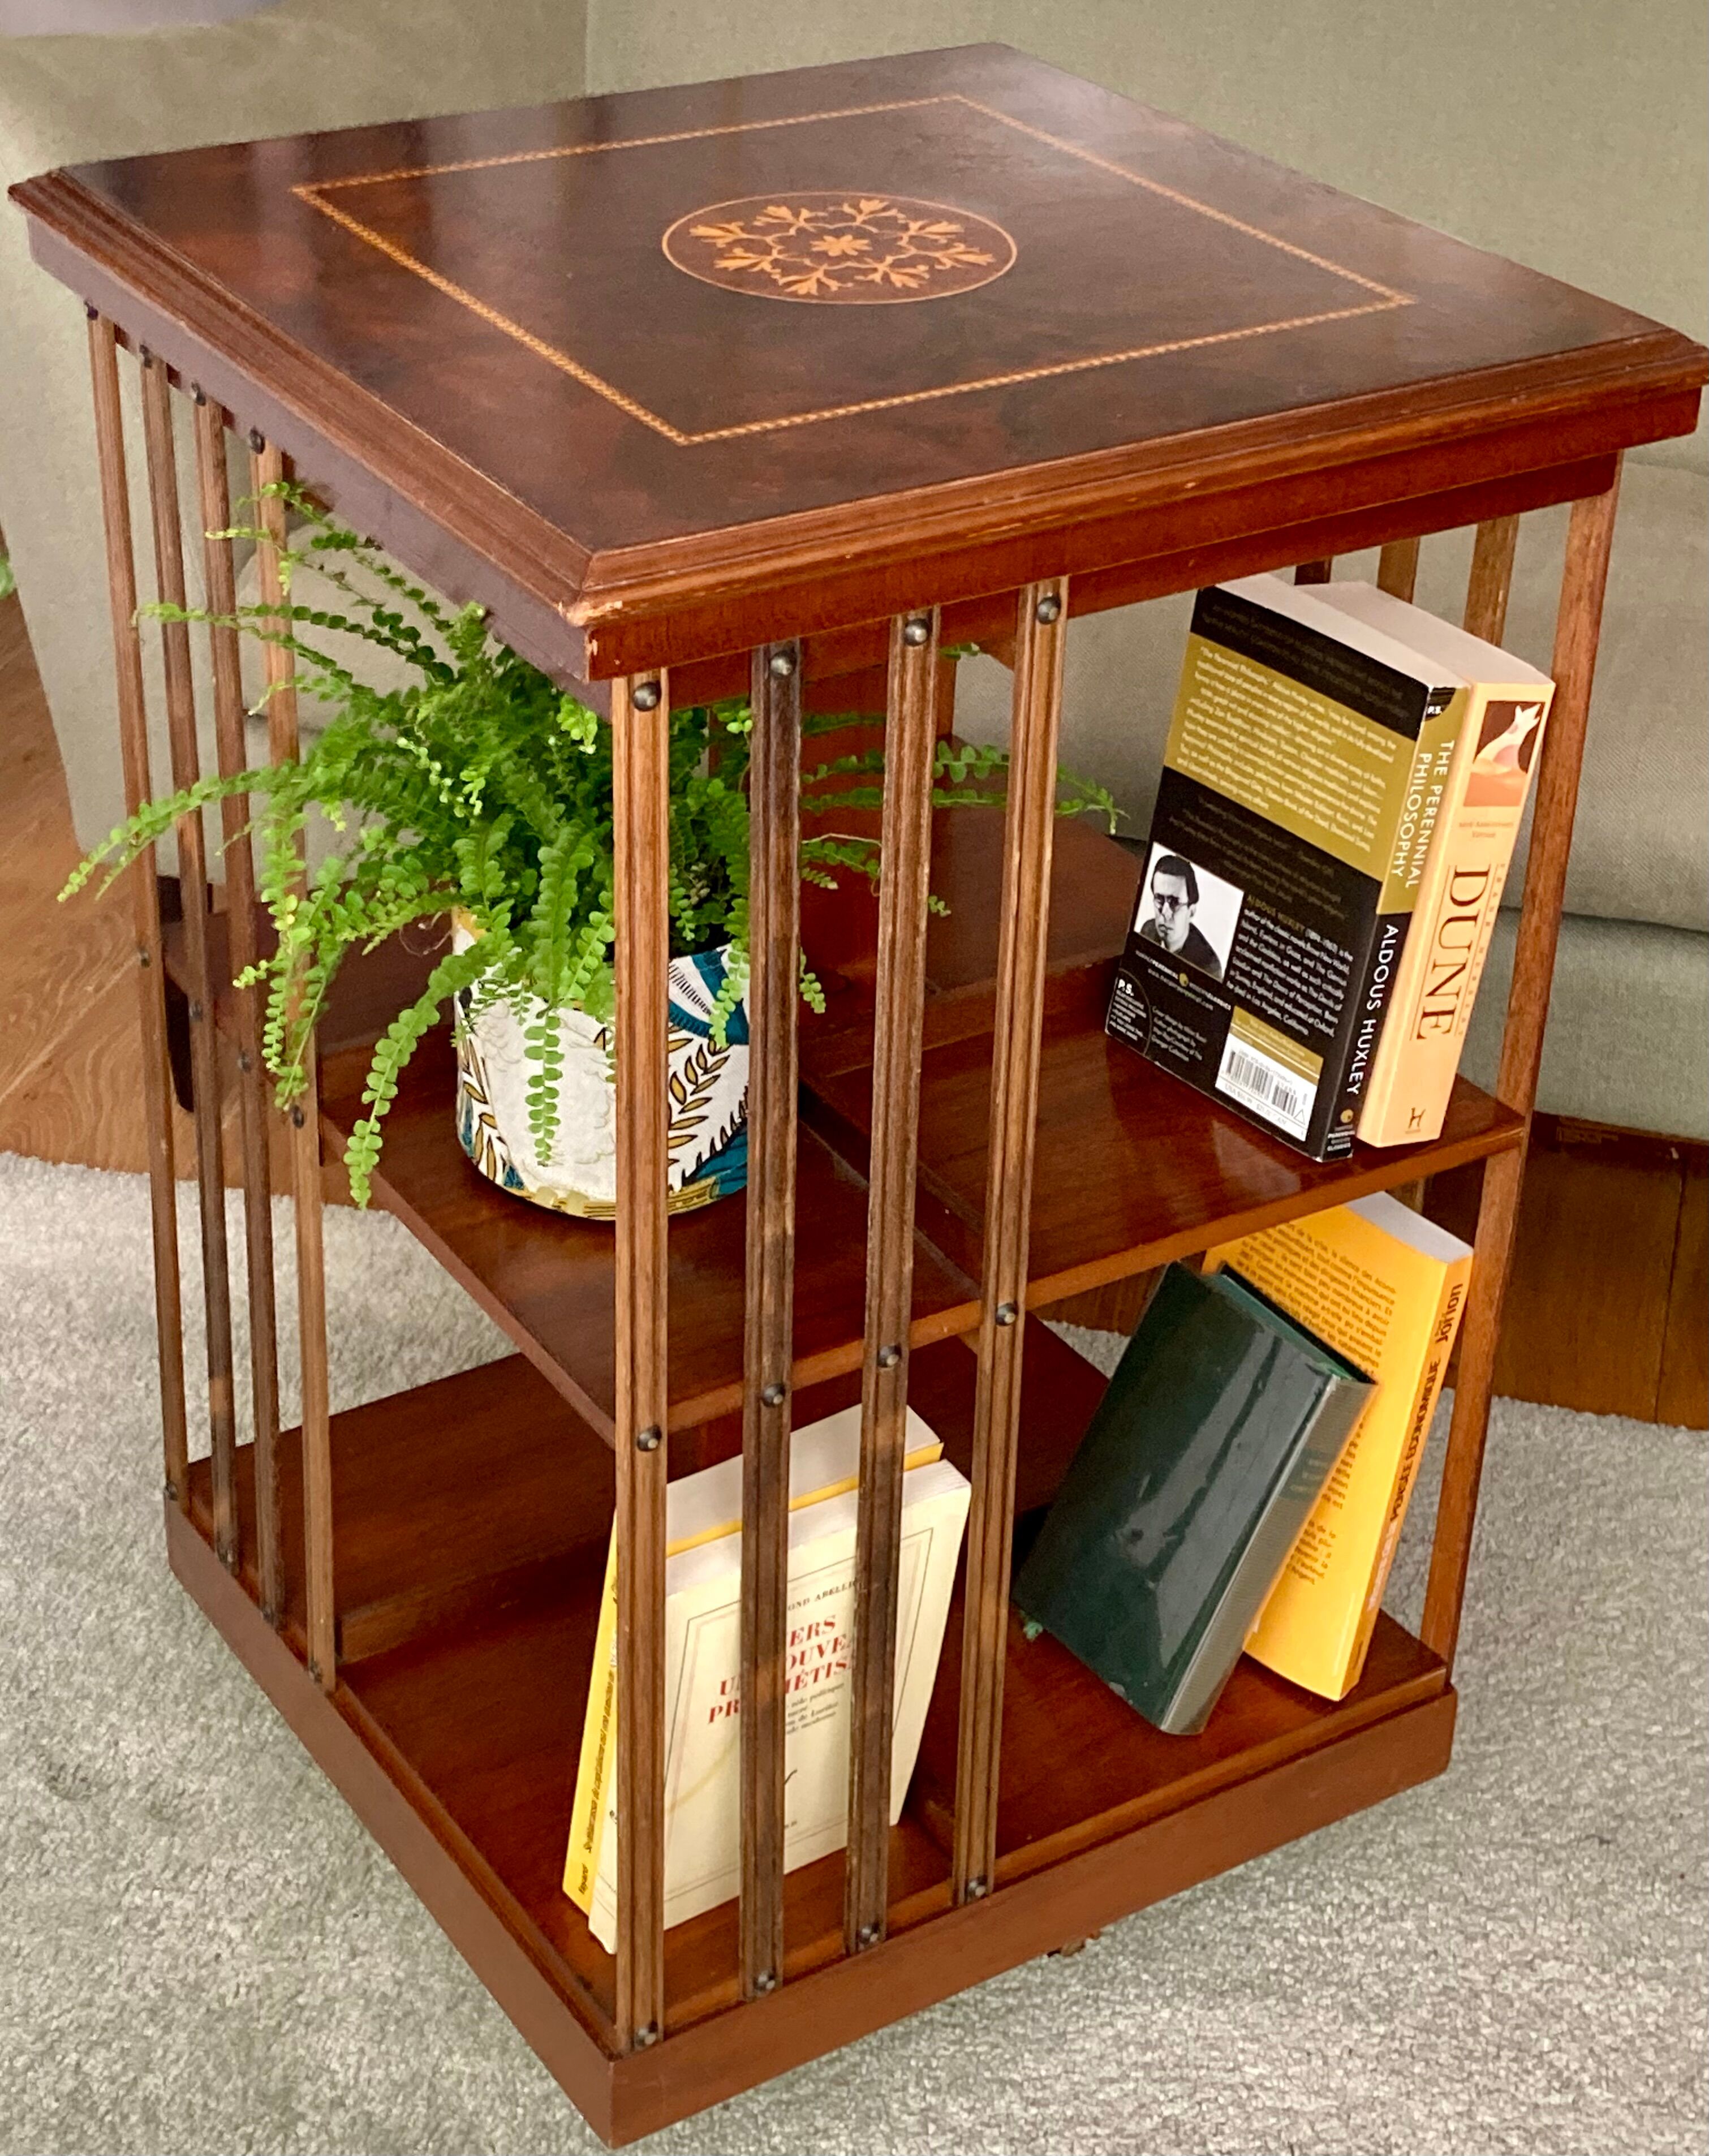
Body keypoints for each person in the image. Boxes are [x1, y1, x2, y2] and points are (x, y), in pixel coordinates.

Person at [1137, 853, 1224, 979]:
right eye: (1160, 900)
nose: (1166, 914)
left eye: (1175, 902)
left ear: (1192, 912)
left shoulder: (1208, 968)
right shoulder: (1148, 930)